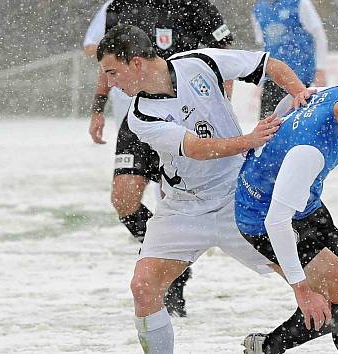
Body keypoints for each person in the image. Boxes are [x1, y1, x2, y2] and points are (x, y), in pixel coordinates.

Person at [96, 24, 314, 353]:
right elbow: (197, 148)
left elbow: (269, 64)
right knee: (144, 288)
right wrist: (250, 140)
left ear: (137, 63)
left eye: (113, 72)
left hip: (239, 197)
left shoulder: (200, 62)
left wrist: (299, 93)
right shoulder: (139, 115)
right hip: (184, 208)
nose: (110, 83)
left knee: (313, 283)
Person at [84, 0, 236, 317]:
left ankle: (173, 284)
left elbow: (223, 59)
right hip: (141, 116)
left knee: (171, 198)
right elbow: (105, 59)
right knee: (123, 199)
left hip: (186, 116)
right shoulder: (119, 7)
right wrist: (98, 106)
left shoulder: (195, 5)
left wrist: (217, 111)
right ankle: (154, 253)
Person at [235, 75, 338, 353]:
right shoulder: (310, 149)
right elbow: (276, 221)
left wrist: (284, 110)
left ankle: (267, 347)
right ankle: (269, 347)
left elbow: (301, 95)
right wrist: (302, 290)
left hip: (305, 203)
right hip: (262, 217)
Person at [252, 0, 328, 117]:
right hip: (273, 78)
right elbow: (263, 45)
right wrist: (262, 79)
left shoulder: (300, 3)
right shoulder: (258, 9)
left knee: (300, 122)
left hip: (300, 78)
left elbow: (319, 35)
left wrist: (320, 69)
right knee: (268, 125)